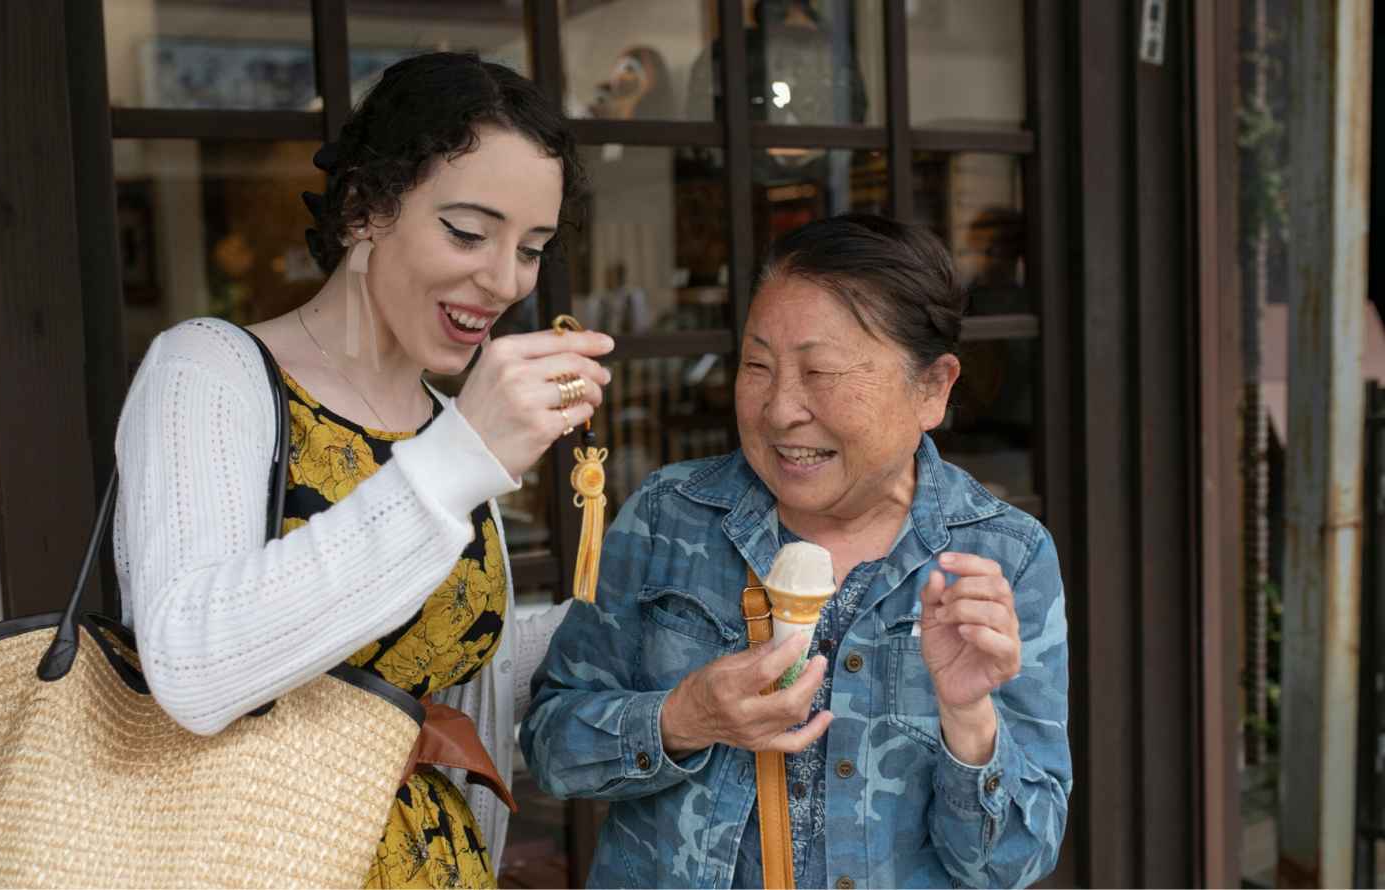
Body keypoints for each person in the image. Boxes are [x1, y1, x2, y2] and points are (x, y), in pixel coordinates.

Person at [112, 52, 612, 888]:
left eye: (532, 247)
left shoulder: (444, 422)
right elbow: (192, 667)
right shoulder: (208, 371)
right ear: (364, 209)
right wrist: (461, 462)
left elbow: (432, 664)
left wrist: (649, 613)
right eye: (466, 231)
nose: (502, 281)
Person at [522, 214, 1070, 888]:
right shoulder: (673, 517)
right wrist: (684, 715)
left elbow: (1015, 861)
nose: (780, 410)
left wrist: (968, 718)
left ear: (933, 387)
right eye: (758, 366)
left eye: (821, 372)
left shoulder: (1000, 558)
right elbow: (551, 745)